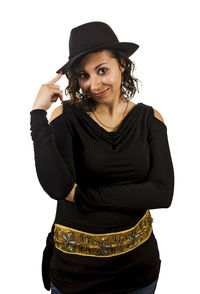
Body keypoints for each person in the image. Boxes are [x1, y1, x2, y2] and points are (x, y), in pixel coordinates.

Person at [30, 21, 174, 294]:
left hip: (137, 271)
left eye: (102, 70)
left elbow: (162, 194)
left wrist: (83, 196)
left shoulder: (150, 120)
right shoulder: (65, 118)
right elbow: (59, 188)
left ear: (122, 64)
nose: (93, 84)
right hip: (75, 274)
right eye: (84, 76)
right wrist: (38, 114)